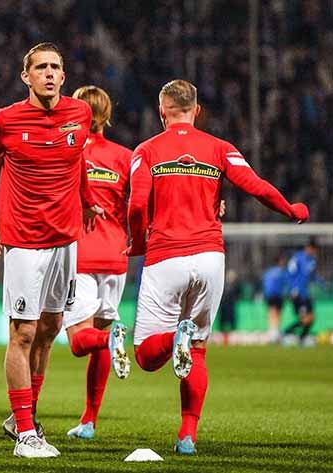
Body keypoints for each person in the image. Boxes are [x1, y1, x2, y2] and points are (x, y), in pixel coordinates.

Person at [127, 79, 309, 455]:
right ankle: (187, 436)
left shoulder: (146, 151)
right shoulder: (220, 149)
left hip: (166, 257)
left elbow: (136, 205)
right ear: (197, 110)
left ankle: (175, 334)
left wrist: (138, 241)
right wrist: (291, 209)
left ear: (162, 111)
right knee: (198, 351)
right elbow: (256, 186)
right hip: (211, 259)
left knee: (146, 354)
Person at [0, 43, 104, 458]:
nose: (49, 73)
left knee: (51, 331)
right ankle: (25, 434)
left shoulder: (79, 114)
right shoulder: (7, 120)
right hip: (24, 242)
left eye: (55, 67)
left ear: (64, 76)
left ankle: (25, 415)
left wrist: (87, 199)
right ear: (26, 77)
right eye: (41, 68)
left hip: (65, 240)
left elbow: (78, 164)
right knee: (23, 332)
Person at [61, 86, 132, 440]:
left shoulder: (66, 153)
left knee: (79, 341)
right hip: (117, 257)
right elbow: (146, 201)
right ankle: (89, 421)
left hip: (80, 255)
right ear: (107, 114)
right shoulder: (125, 157)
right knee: (99, 335)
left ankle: (112, 338)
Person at [283, 239, 320, 346]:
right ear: (308, 248)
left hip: (306, 293)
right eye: (313, 250)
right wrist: (293, 289)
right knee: (306, 318)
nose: (313, 252)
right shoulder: (297, 258)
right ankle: (287, 333)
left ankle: (301, 338)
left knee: (311, 317)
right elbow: (290, 273)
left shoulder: (312, 260)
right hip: (297, 293)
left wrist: (322, 283)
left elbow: (312, 276)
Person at [262, 253, 288, 343]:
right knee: (277, 315)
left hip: (270, 296)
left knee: (272, 314)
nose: (284, 262)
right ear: (279, 262)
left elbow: (265, 285)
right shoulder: (282, 272)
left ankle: (272, 333)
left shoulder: (268, 272)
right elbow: (286, 284)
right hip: (278, 296)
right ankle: (275, 334)